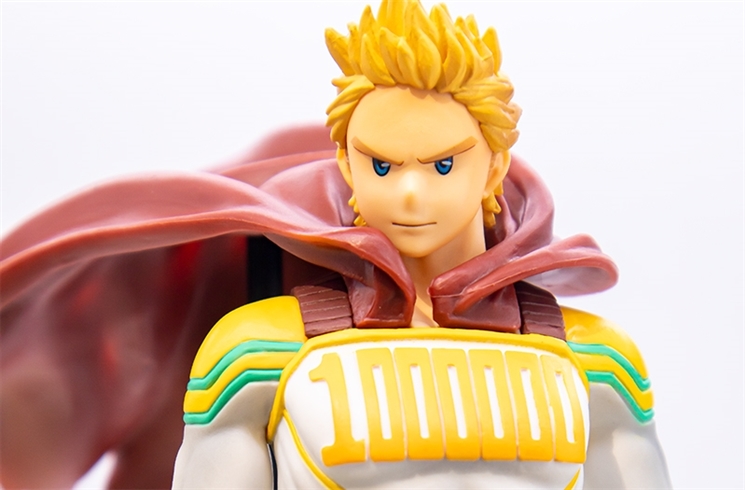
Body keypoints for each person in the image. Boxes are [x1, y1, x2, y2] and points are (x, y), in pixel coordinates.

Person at [171, 1, 670, 489]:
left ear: (494, 166)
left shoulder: (596, 359)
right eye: (381, 165)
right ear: (347, 165)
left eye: (443, 165)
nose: (409, 194)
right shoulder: (262, 351)